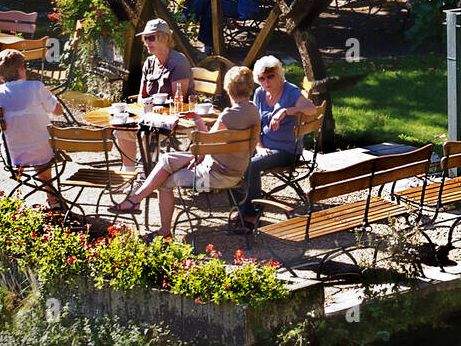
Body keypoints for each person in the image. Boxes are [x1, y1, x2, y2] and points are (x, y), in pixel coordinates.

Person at [108, 65, 259, 240]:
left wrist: (196, 120)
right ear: (250, 87)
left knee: (164, 181)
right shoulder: (253, 110)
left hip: (214, 176)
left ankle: (160, 227)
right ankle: (135, 200)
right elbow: (206, 146)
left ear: (227, 88)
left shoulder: (228, 115)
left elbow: (203, 147)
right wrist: (196, 119)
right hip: (236, 172)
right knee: (166, 158)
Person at [237, 55, 317, 229]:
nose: (266, 81)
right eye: (262, 78)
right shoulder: (259, 93)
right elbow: (255, 124)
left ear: (279, 75)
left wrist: (286, 111)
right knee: (233, 157)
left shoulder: (290, 91)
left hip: (286, 150)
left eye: (270, 76)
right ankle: (241, 206)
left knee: (251, 166)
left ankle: (250, 214)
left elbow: (311, 109)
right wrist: (259, 146)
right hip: (264, 145)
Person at [0, 48, 66, 209]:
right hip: (43, 151)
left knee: (28, 137)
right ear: (20, 70)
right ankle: (51, 196)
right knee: (41, 144)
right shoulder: (35, 87)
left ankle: (50, 195)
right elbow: (58, 111)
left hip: (14, 154)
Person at [116, 18, 193, 173]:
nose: (147, 42)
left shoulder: (179, 61)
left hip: (176, 118)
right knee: (120, 129)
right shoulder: (149, 63)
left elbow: (180, 98)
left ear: (165, 38)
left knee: (147, 132)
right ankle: (129, 173)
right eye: (145, 38)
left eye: (151, 38)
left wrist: (153, 111)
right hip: (150, 116)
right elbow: (140, 96)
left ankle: (147, 175)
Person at [184, 0, 266, 54]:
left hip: (241, 7)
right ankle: (192, 19)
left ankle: (190, 17)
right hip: (248, 5)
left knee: (211, 3)